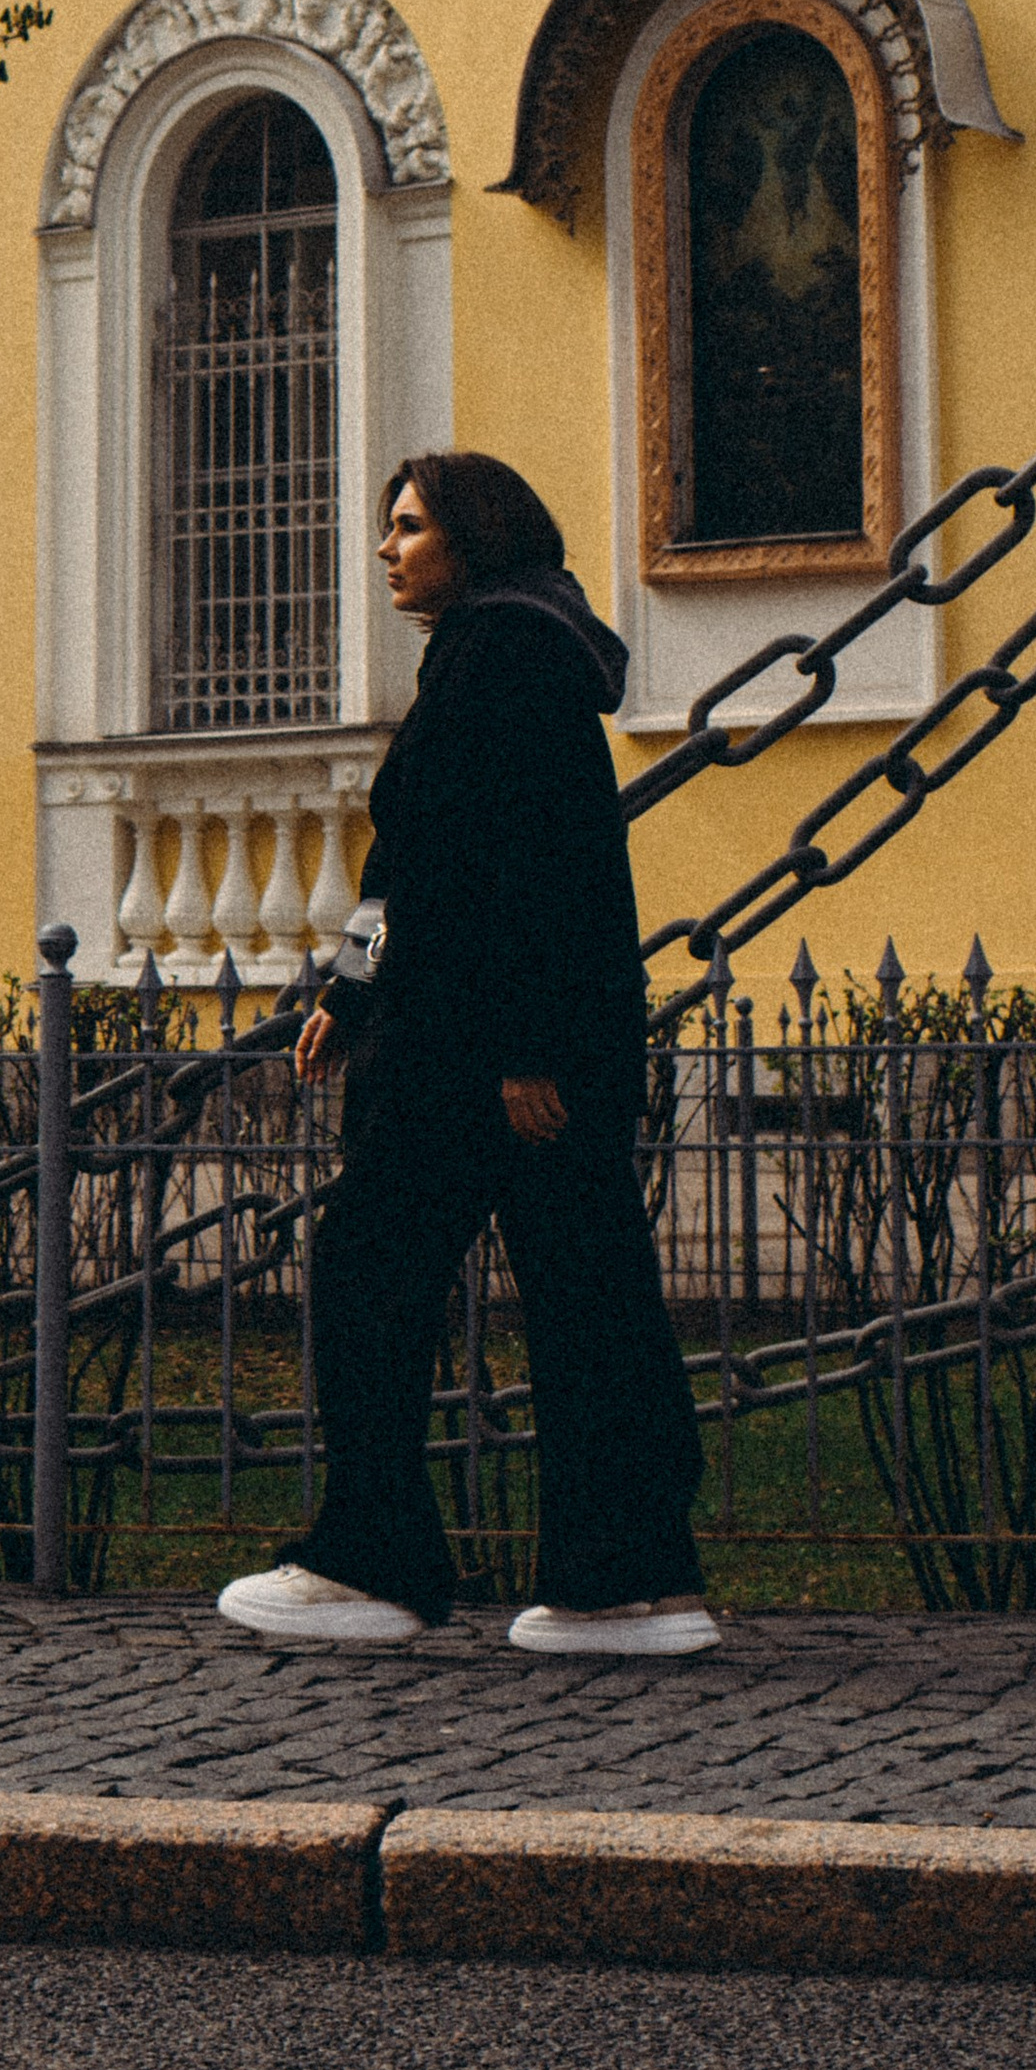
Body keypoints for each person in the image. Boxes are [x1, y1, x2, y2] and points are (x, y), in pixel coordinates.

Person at [217, 451, 715, 1656]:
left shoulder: (504, 657)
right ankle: (628, 1584)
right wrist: (352, 983)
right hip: (483, 1035)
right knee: (586, 1293)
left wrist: (525, 1051)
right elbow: (426, 855)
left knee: (369, 1274)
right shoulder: (503, 647)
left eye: (407, 527)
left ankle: (373, 1560)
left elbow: (529, 867)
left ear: (473, 535)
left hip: (480, 1053)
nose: (386, 549)